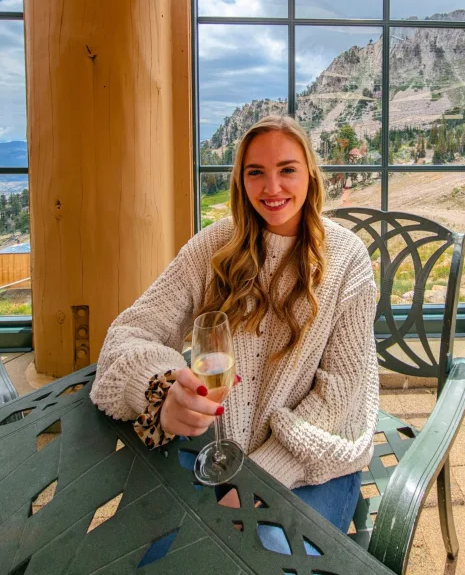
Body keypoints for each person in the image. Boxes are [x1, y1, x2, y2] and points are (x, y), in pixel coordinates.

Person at [90, 115, 379, 551]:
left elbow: (342, 392)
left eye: (287, 169)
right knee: (153, 554)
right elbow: (130, 333)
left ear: (310, 175)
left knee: (260, 559)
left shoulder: (347, 259)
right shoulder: (212, 248)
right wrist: (163, 391)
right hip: (214, 451)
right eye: (255, 172)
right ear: (241, 181)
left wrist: (255, 482)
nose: (272, 188)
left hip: (310, 459)